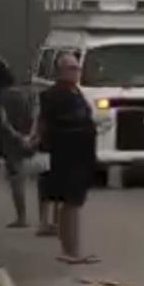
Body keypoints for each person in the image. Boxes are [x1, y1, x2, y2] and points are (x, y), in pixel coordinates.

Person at [37, 52, 98, 263]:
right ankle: (70, 251)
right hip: (67, 155)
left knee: (73, 203)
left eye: (77, 68)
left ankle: (71, 249)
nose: (76, 72)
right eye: (72, 68)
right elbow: (52, 125)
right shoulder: (55, 95)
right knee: (71, 203)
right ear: (61, 70)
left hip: (81, 155)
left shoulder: (74, 91)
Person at [0, 81, 36, 229]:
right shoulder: (27, 96)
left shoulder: (0, 97)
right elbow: (36, 117)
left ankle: (22, 217)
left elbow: (3, 121)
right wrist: (30, 137)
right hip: (30, 139)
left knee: (16, 182)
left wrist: (18, 136)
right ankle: (46, 219)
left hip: (11, 142)